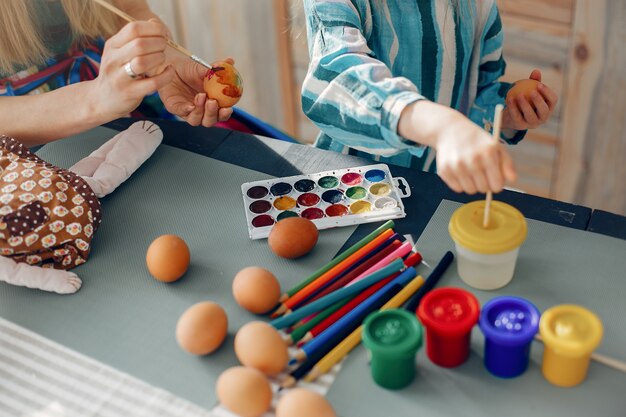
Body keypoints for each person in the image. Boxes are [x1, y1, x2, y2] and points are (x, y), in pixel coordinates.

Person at [301, 0, 558, 195]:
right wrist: (442, 126)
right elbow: (334, 78)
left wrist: (508, 113)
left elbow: (478, 96)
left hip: (437, 186)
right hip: (350, 185)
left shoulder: (477, 5)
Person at [0, 0, 232, 146]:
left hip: (123, 90)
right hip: (31, 141)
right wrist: (94, 100)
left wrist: (165, 57)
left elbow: (130, 7)